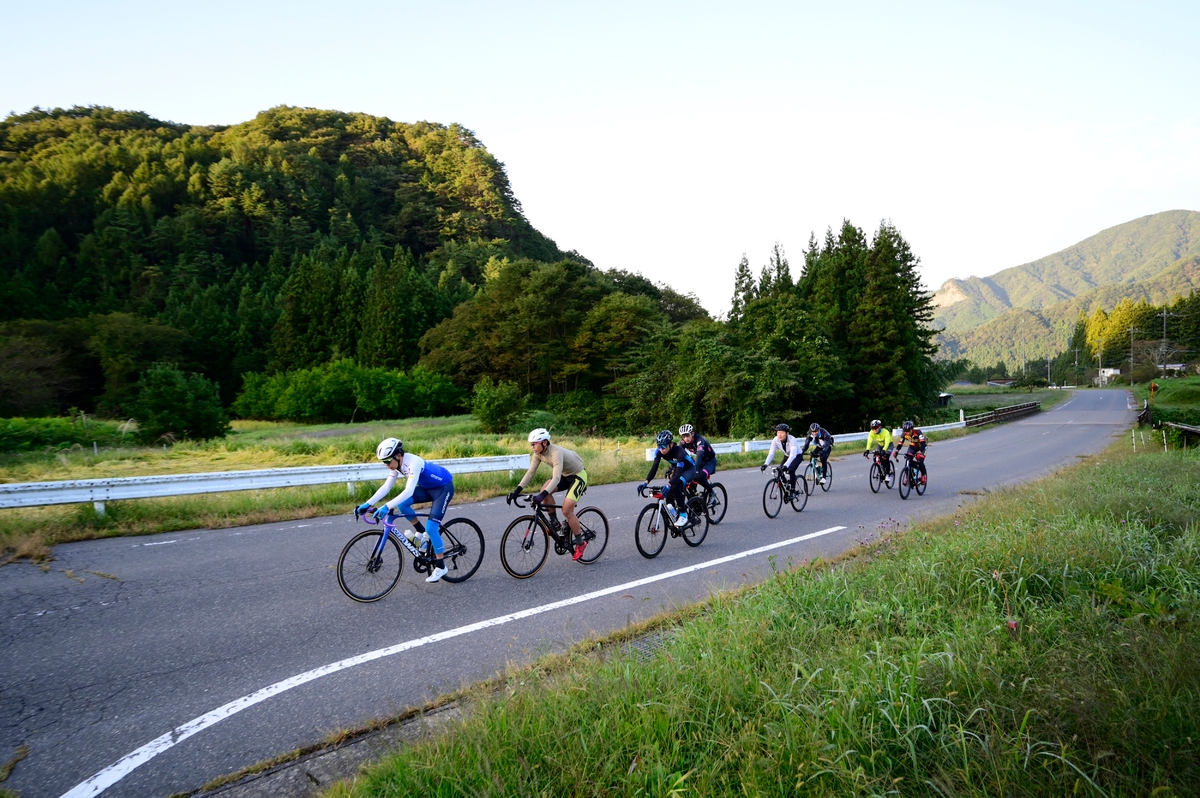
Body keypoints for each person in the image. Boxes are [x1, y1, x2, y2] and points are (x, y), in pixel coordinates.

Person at [356, 438, 455, 583]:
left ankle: (441, 566)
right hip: (428, 489)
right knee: (402, 505)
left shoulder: (413, 463)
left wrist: (387, 506)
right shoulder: (396, 466)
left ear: (399, 455)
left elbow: (408, 491)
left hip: (443, 488)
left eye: (388, 461)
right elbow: (386, 487)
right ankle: (422, 535)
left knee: (432, 527)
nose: (387, 465)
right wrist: (367, 503)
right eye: (384, 462)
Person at [507, 428, 591, 561]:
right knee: (544, 490)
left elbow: (556, 478)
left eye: (534, 444)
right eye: (531, 444)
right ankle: (554, 523)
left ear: (544, 443)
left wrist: (541, 496)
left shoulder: (556, 452)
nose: (532, 447)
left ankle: (581, 543)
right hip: (565, 475)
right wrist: (517, 491)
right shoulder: (538, 454)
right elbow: (530, 473)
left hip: (578, 476)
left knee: (567, 510)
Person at [640, 430, 697, 526]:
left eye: (663, 446)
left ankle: (683, 515)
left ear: (670, 444)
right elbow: (654, 469)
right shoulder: (659, 452)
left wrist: (669, 484)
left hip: (689, 469)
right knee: (668, 493)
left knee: (675, 486)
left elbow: (678, 473)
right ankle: (675, 513)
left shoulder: (679, 451)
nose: (661, 449)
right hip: (678, 468)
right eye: (659, 446)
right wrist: (646, 482)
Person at [760, 423, 802, 492]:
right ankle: (786, 485)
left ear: (787, 433)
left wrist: (786, 465)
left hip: (797, 456)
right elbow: (771, 453)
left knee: (791, 469)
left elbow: (793, 455)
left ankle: (793, 489)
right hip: (787, 455)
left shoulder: (792, 440)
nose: (779, 435)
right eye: (778, 432)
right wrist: (766, 464)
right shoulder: (775, 440)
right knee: (779, 471)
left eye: (782, 433)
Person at [679, 424, 717, 493]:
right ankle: (695, 498)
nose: (685, 438)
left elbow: (700, 454)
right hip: (701, 461)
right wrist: (672, 468)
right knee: (689, 479)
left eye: (687, 435)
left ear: (692, 433)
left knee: (698, 477)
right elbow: (678, 455)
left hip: (710, 461)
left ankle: (712, 492)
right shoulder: (683, 442)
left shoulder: (699, 440)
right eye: (683, 436)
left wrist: (695, 469)